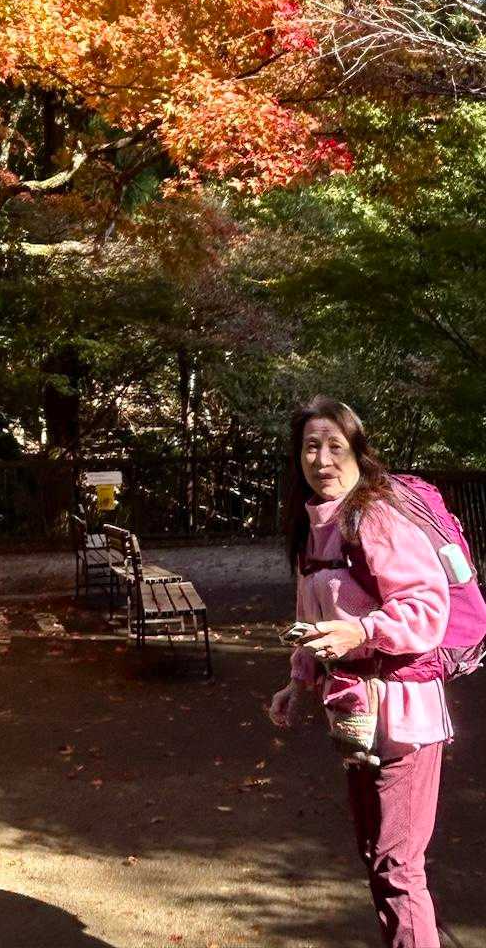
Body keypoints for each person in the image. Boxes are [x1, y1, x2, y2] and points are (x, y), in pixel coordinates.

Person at [269, 397, 451, 948]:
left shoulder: (376, 517)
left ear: (357, 452)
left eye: (335, 446)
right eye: (310, 447)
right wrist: (297, 681)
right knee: (376, 854)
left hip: (405, 717)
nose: (322, 459)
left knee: (398, 867)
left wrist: (364, 632)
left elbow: (428, 607)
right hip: (354, 714)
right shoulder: (312, 528)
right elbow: (311, 618)